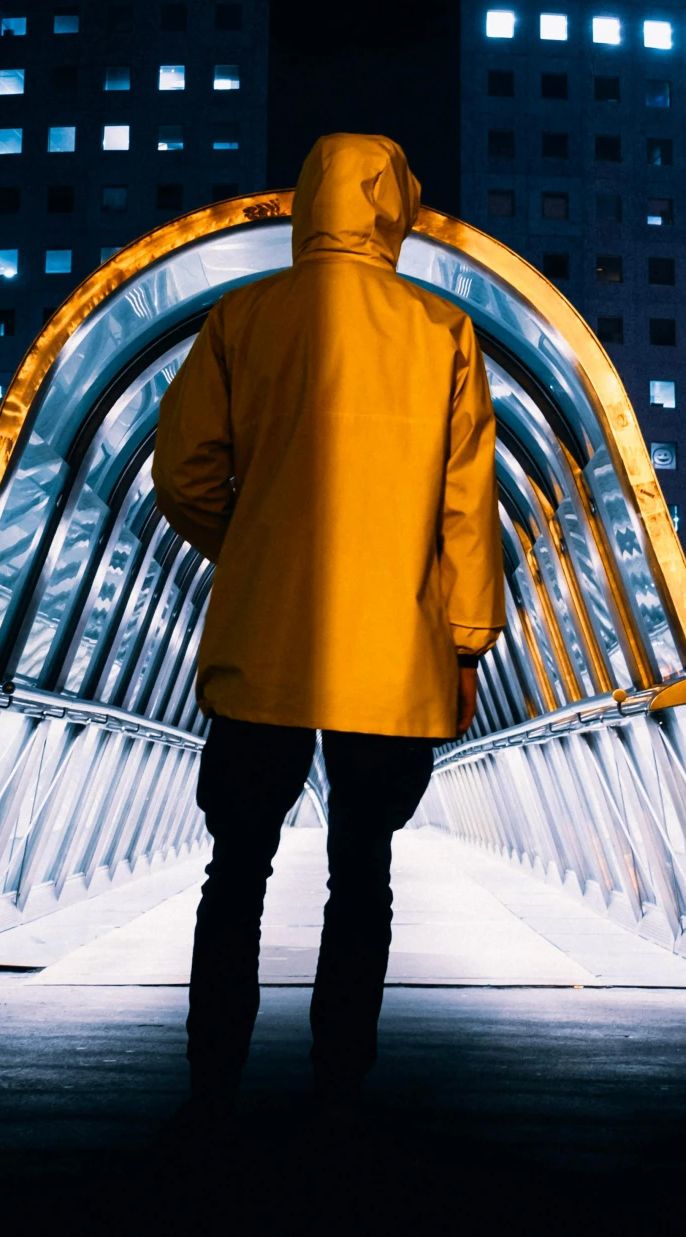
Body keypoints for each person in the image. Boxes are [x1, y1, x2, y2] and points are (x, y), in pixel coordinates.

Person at [152, 131, 504, 1125]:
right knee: (363, 871)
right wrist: (467, 638)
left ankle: (211, 1075)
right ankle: (338, 1077)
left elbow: (181, 475)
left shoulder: (242, 317)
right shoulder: (443, 332)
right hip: (392, 654)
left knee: (236, 870)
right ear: (395, 206)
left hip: (266, 642)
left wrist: (257, 544)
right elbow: (467, 508)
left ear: (307, 203)